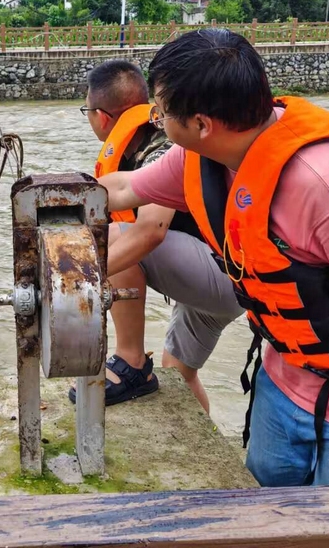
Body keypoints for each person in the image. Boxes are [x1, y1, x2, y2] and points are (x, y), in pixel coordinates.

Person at [97, 28, 329, 487]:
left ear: (203, 123)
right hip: (284, 375)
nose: (157, 120)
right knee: (267, 505)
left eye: (161, 112)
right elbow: (127, 187)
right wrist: (48, 193)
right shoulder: (200, 159)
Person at [69, 60, 243, 413]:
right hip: (224, 274)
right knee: (180, 373)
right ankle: (202, 453)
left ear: (101, 117)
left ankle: (131, 361)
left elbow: (151, 231)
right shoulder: (151, 142)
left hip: (224, 275)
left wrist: (78, 284)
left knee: (115, 234)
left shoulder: (161, 145)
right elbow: (118, 190)